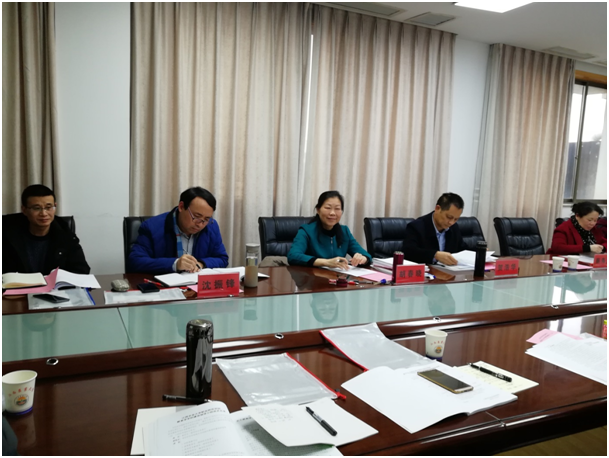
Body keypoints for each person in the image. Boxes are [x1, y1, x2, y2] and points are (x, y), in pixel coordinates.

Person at [127, 187, 229, 274]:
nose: (200, 224)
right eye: (197, 216)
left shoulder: (211, 226)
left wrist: (201, 263)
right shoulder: (152, 227)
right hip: (165, 287)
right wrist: (175, 264)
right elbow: (135, 262)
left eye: (206, 219)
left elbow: (222, 259)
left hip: (196, 287)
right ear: (181, 207)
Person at [3, 184, 90, 275]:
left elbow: (82, 271)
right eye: (37, 208)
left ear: (55, 206)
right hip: (16, 284)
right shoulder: (6, 232)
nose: (44, 213)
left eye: (48, 207)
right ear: (24, 210)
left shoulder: (65, 233)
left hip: (54, 284)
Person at [287, 190, 372, 269]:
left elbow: (367, 255)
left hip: (337, 277)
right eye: (328, 208)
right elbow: (293, 256)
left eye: (337, 209)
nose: (332, 213)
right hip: (312, 277)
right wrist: (326, 262)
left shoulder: (344, 231)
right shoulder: (306, 230)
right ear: (318, 210)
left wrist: (363, 258)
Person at [403, 193, 467, 265]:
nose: (451, 222)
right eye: (449, 217)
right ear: (437, 209)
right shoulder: (416, 226)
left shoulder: (454, 228)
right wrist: (435, 255)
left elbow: (462, 250)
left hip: (448, 270)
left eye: (456, 219)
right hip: (427, 270)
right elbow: (409, 252)